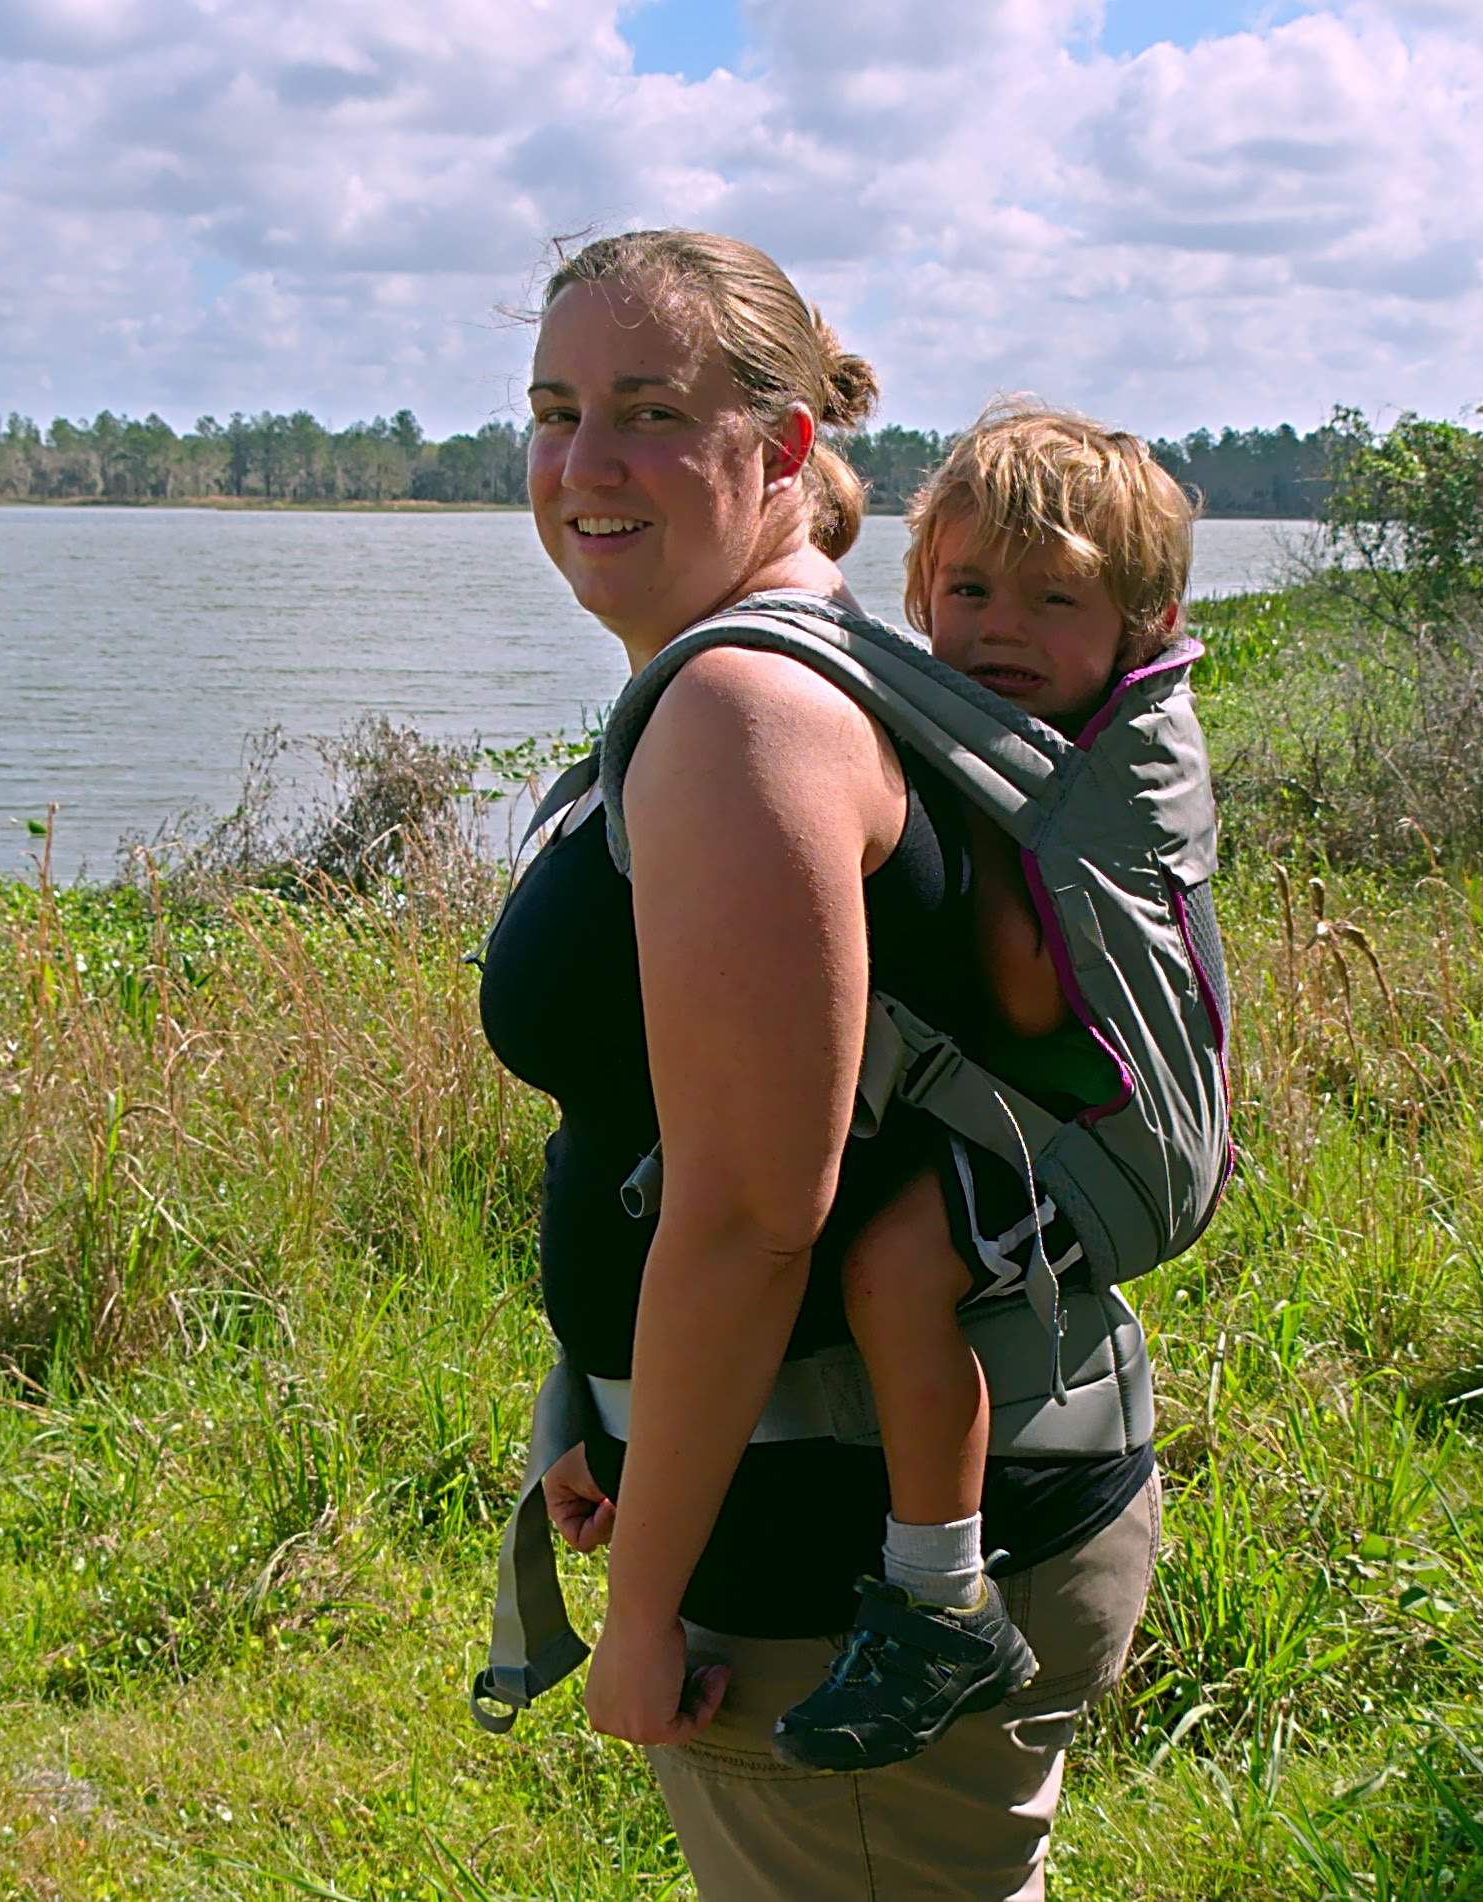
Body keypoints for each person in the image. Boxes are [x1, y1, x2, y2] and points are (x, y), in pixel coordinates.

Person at [478, 229, 1161, 1900]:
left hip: (825, 1580)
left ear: (785, 447)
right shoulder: (815, 660)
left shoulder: (743, 718)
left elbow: (754, 1213)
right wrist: (598, 1397)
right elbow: (668, 1116)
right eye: (557, 408)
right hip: (881, 1502)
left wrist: (639, 1607)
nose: (586, 463)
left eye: (648, 409)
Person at [771, 404, 1197, 1774]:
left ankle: (939, 1596)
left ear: (1141, 620)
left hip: (1105, 1133)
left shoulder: (1105, 774)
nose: (1000, 626)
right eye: (968, 591)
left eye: (1052, 595)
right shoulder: (1036, 729)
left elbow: (1026, 988)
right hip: (1051, 1106)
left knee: (898, 1270)